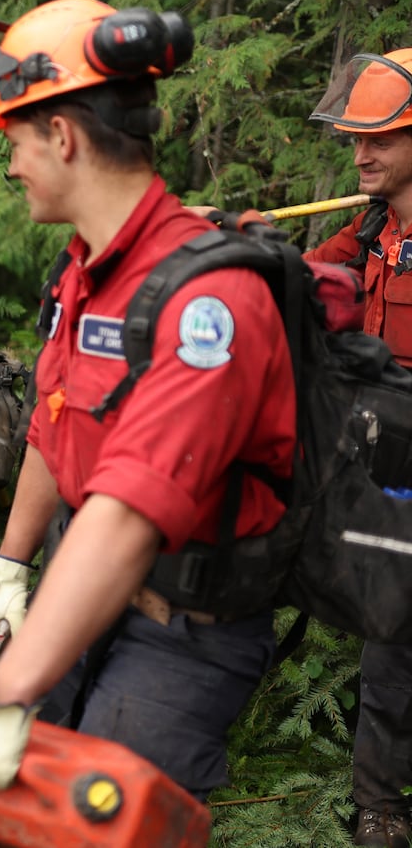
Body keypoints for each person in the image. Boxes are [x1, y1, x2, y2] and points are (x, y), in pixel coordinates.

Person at [0, 0, 299, 802]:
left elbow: (130, 513)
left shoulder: (213, 302)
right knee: (25, 805)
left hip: (182, 628)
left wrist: (6, 689)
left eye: (17, 142)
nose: (12, 164)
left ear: (61, 136)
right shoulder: (85, 275)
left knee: (100, 821)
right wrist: (10, 569)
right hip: (80, 586)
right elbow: (50, 424)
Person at [303, 48, 412, 847]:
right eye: (355, 140)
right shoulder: (374, 228)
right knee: (391, 642)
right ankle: (379, 805)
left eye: (379, 139)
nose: (360, 154)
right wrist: (225, 254)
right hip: (392, 477)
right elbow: (304, 279)